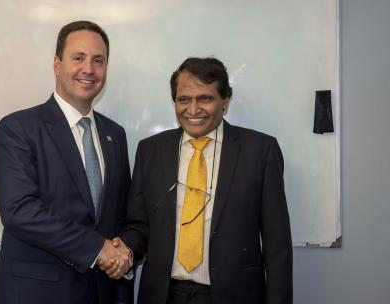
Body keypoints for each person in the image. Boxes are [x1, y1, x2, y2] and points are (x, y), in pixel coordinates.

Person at [110, 57, 293, 303]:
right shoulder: (150, 150)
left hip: (234, 294)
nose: (193, 110)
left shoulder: (260, 151)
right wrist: (127, 250)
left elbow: (277, 246)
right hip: (163, 294)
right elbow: (139, 224)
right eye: (184, 99)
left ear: (225, 101)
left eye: (205, 98)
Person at [0, 21, 133, 304]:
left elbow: (120, 211)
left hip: (101, 292)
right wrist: (98, 249)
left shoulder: (114, 134)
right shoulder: (18, 128)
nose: (89, 69)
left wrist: (123, 252)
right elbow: (19, 210)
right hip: (37, 293)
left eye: (98, 60)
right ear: (57, 64)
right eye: (78, 58)